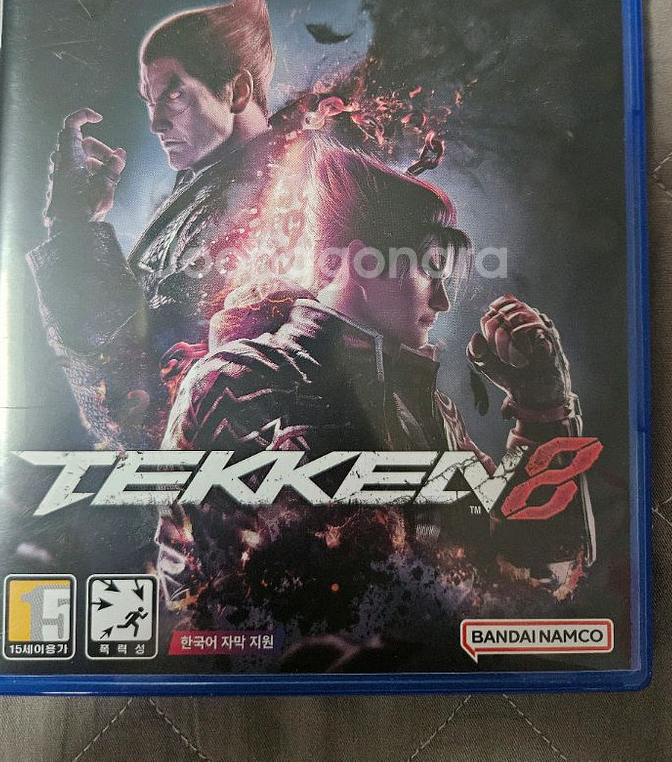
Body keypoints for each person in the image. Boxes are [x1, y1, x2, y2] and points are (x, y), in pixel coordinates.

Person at [156, 145, 595, 666]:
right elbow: (197, 605)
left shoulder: (434, 413)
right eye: (430, 268)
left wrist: (544, 413)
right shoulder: (235, 384)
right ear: (362, 263)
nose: (441, 301)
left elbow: (540, 581)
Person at [27, 0, 293, 446]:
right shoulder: (211, 186)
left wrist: (71, 227)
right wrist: (76, 225)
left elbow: (137, 400)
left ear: (236, 92)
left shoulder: (264, 199)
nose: (155, 123)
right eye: (150, 101)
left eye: (173, 96)